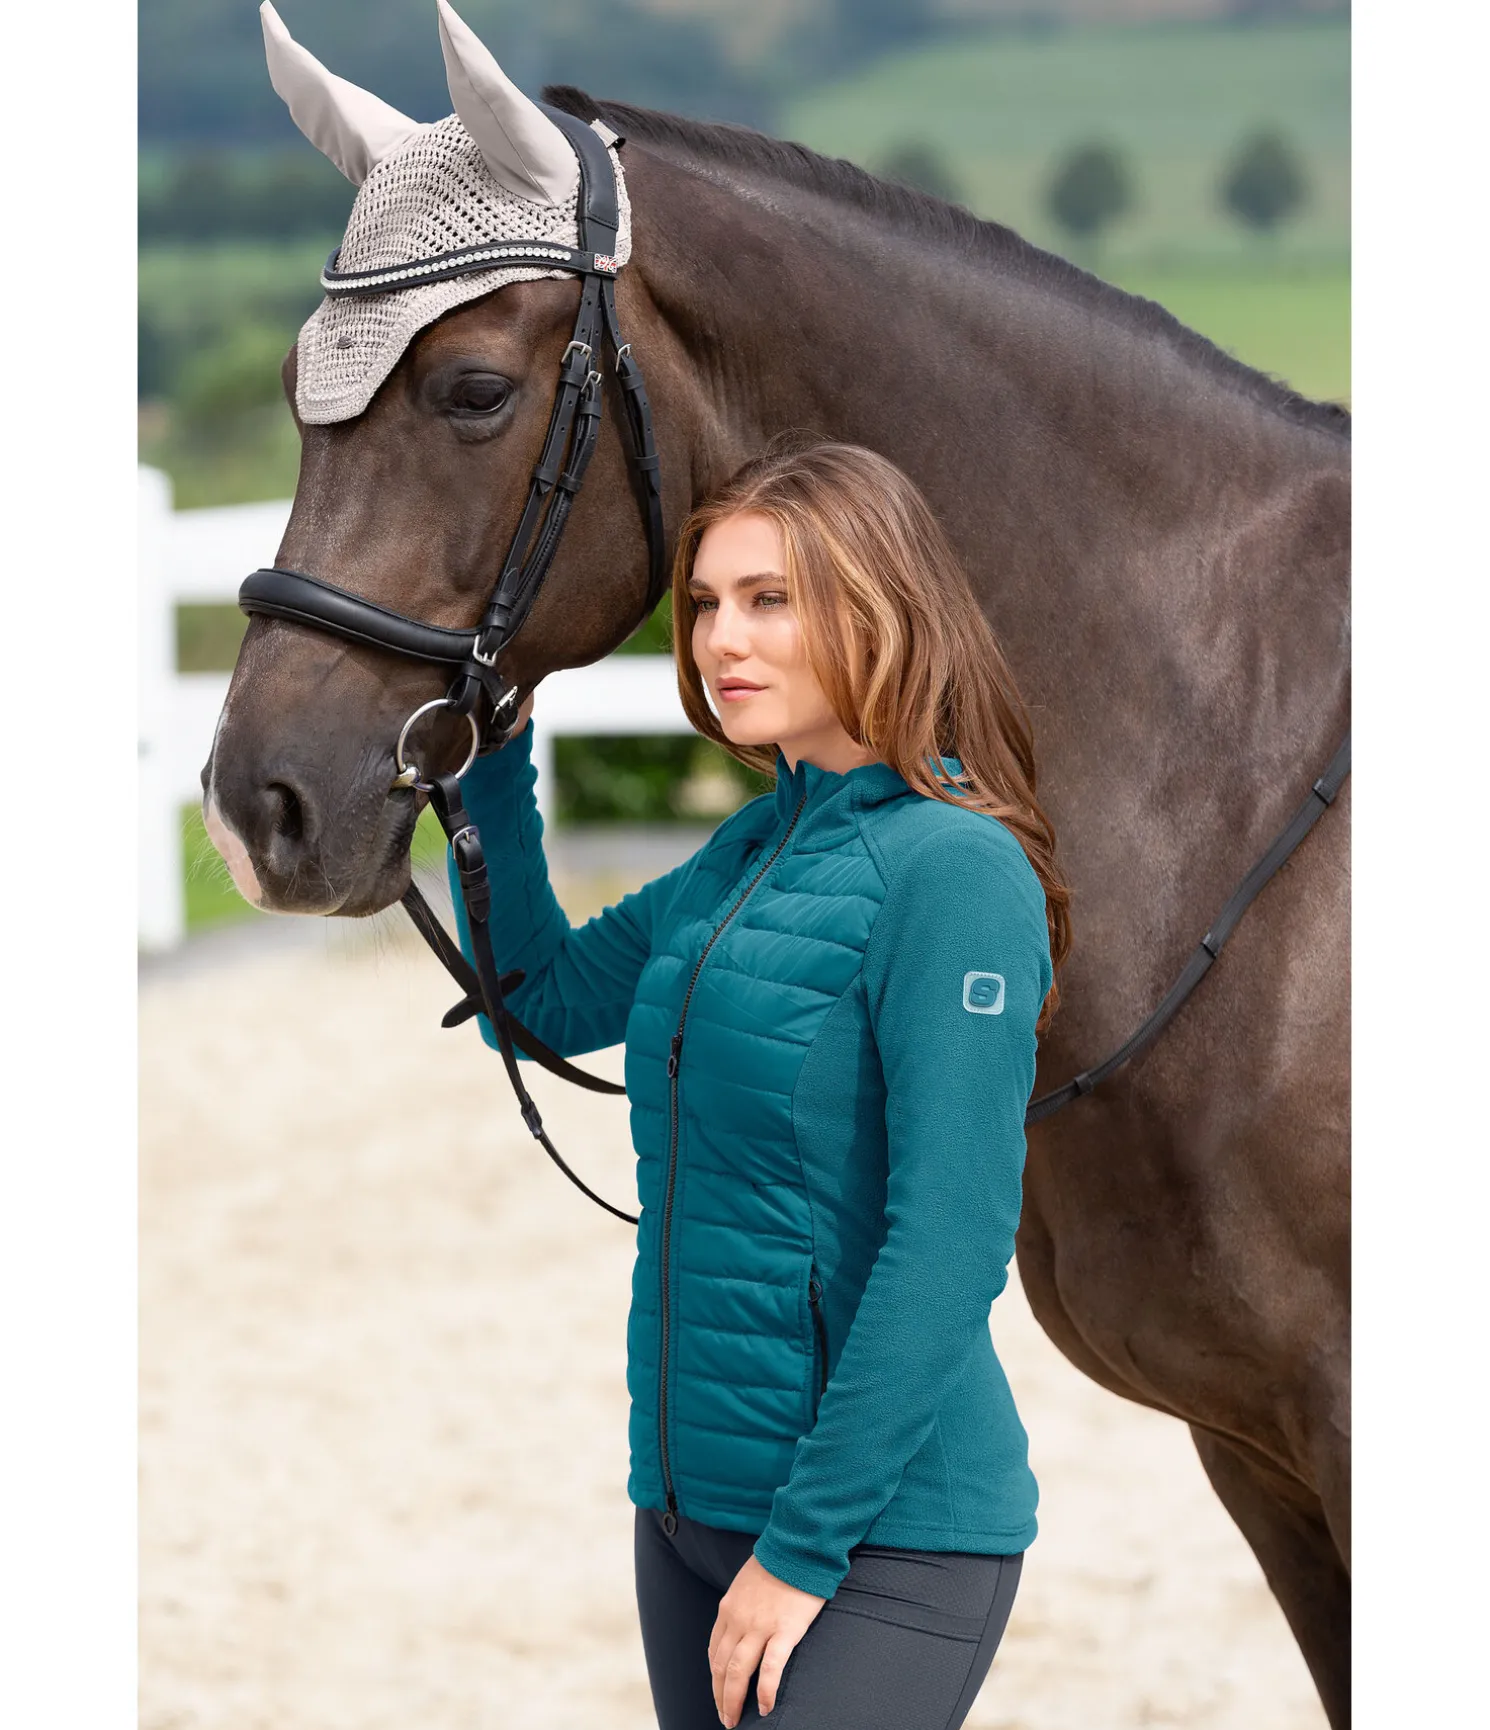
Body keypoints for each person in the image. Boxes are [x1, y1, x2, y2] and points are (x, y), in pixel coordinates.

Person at [447, 440, 1072, 1729]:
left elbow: (952, 1240)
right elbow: (542, 997)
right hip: (687, 1507)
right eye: (706, 603)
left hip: (877, 1540)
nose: (721, 638)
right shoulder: (752, 848)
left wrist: (802, 1552)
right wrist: (489, 759)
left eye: (770, 599)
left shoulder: (955, 873)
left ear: (878, 607)